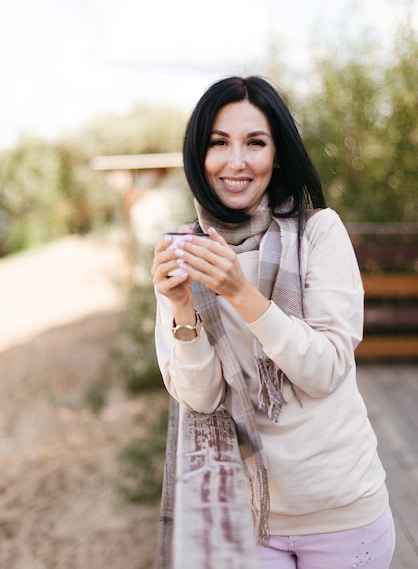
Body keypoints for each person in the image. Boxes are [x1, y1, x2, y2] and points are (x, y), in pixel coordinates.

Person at [152, 75, 395, 568]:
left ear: (277, 154)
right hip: (248, 517)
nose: (235, 161)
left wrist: (240, 294)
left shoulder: (319, 233)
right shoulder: (185, 251)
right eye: (218, 143)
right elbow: (200, 398)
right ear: (199, 156)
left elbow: (326, 369)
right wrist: (181, 307)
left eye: (254, 143)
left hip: (342, 514)